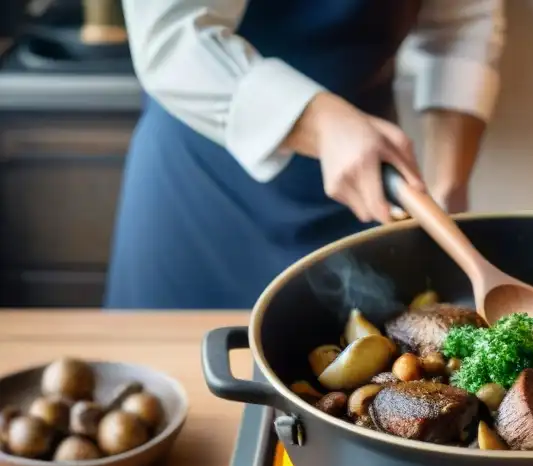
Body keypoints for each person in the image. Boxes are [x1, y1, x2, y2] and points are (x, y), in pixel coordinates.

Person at [105, 0, 506, 310]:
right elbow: (172, 39)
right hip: (198, 193)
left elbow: (461, 29)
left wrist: (447, 184)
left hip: (370, 190)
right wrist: (324, 124)